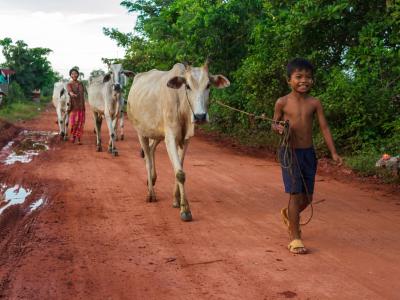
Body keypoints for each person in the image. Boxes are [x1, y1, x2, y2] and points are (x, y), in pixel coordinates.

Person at [272, 58, 342, 254]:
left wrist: (334, 152)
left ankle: (288, 214)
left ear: (313, 80)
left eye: (308, 77)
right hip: (289, 152)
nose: (304, 80)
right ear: (289, 80)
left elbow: (324, 127)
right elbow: (274, 123)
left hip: (308, 153)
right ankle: (295, 238)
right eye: (298, 77)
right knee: (295, 194)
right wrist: (279, 128)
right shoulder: (282, 102)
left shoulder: (315, 103)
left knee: (307, 198)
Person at [67, 68, 86, 144]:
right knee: (73, 123)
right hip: (73, 107)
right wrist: (72, 94)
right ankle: (73, 136)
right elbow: (69, 91)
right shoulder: (69, 84)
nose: (74, 75)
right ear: (70, 75)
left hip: (81, 106)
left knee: (81, 122)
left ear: (78, 74)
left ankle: (79, 138)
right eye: (72, 74)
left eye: (75, 73)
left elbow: (85, 92)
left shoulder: (81, 83)